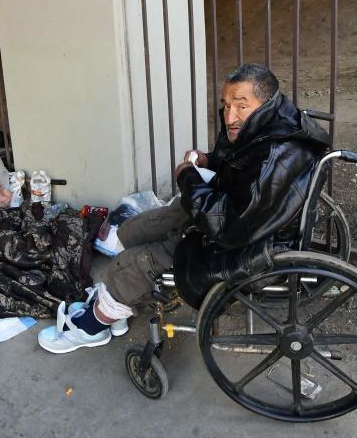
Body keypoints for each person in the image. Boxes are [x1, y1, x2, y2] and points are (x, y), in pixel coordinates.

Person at [37, 63, 328, 353]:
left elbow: (226, 226)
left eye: (241, 106)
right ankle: (115, 306)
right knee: (132, 229)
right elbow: (244, 165)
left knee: (133, 263)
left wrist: (186, 176)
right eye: (226, 106)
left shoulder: (275, 155)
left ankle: (93, 325)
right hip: (239, 221)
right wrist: (208, 161)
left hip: (245, 246)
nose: (230, 116)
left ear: (265, 102)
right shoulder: (273, 124)